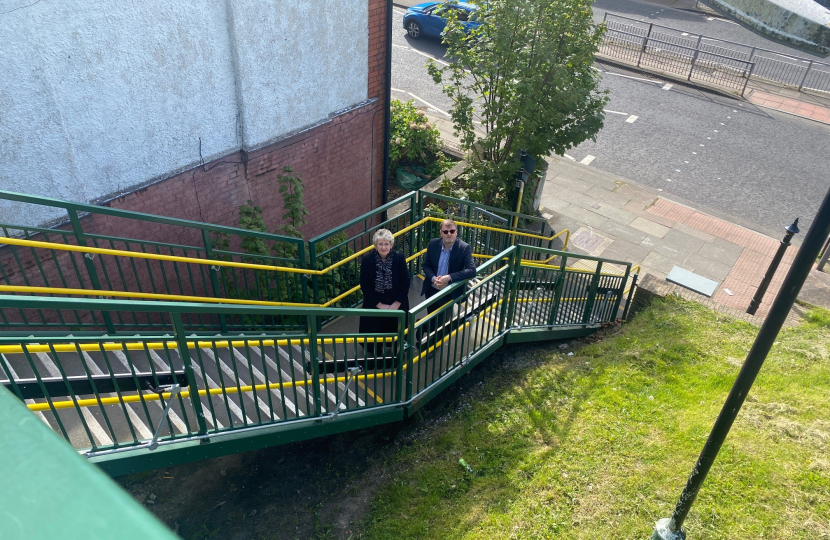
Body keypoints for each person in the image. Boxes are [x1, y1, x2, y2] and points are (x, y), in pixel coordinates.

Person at [419, 219, 477, 343]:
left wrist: (449, 278)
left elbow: (472, 271)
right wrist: (433, 278)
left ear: (456, 232)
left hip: (449, 292)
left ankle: (433, 342)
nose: (449, 234)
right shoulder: (433, 244)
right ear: (441, 233)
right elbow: (426, 265)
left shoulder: (464, 248)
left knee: (442, 322)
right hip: (432, 289)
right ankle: (425, 330)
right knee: (432, 316)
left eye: (452, 231)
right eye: (446, 231)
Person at [359, 229, 411, 359]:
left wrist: (397, 303)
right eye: (380, 244)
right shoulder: (367, 260)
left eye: (386, 244)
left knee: (398, 329)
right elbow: (364, 285)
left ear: (391, 244)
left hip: (397, 302)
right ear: (375, 245)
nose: (383, 247)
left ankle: (397, 351)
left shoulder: (399, 258)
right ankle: (376, 352)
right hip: (375, 302)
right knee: (374, 330)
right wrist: (379, 304)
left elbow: (405, 281)